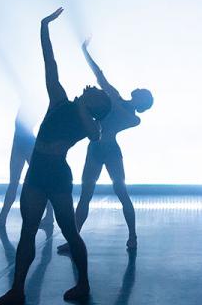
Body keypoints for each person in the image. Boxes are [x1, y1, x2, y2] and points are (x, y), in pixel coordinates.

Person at [0, 8, 112, 305]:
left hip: (57, 175)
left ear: (96, 107)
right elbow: (50, 63)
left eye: (97, 94)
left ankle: (83, 284)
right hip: (38, 172)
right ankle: (17, 289)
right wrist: (44, 27)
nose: (93, 88)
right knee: (28, 231)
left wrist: (84, 106)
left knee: (69, 230)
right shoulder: (59, 100)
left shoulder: (90, 123)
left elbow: (95, 135)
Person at [55, 37, 152, 254]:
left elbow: (118, 108)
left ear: (141, 102)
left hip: (109, 151)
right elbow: (99, 76)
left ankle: (133, 236)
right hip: (96, 149)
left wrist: (109, 96)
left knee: (121, 191)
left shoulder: (133, 118)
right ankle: (74, 240)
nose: (137, 88)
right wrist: (85, 52)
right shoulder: (115, 97)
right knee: (86, 195)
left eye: (141, 91)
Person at [0, 113, 56, 234]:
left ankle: (48, 216)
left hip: (24, 143)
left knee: (38, 181)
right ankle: (3, 218)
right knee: (17, 182)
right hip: (20, 143)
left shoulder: (31, 106)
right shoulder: (29, 107)